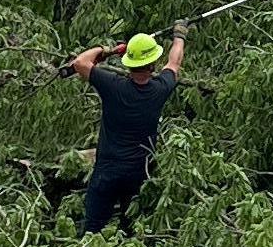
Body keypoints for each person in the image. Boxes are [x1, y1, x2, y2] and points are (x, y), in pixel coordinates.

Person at [66, 26, 185, 235]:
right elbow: (174, 63)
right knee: (133, 232)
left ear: (129, 63)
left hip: (107, 172)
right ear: (152, 63)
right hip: (139, 174)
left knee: (92, 231)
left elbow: (80, 62)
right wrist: (179, 35)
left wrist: (108, 50)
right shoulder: (160, 88)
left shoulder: (113, 86)